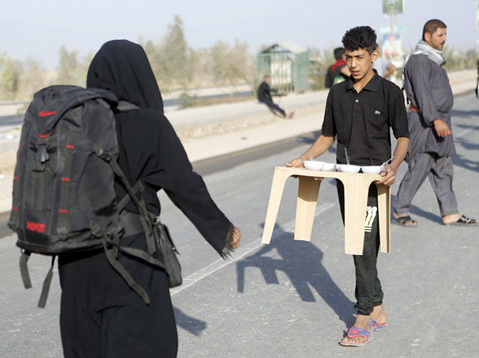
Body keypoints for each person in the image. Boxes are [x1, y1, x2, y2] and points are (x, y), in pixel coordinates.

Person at [57, 40, 242, 358]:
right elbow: (186, 185)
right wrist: (223, 230)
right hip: (130, 258)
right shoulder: (149, 123)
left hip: (73, 262)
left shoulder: (69, 126)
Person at [287, 26, 410, 347]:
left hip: (375, 182)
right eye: (349, 57)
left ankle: (363, 316)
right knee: (361, 246)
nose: (353, 63)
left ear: (374, 55)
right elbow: (327, 136)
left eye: (359, 57)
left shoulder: (390, 92)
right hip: (345, 180)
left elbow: (403, 138)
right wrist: (304, 158)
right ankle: (379, 308)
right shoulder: (337, 94)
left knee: (362, 246)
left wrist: (394, 167)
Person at [392, 19, 477, 227]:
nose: (444, 39)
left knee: (443, 165)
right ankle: (400, 210)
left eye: (445, 35)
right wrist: (435, 119)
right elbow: (423, 94)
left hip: (437, 121)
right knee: (421, 164)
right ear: (427, 36)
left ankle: (450, 212)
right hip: (425, 121)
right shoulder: (420, 60)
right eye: (440, 35)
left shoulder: (434, 60)